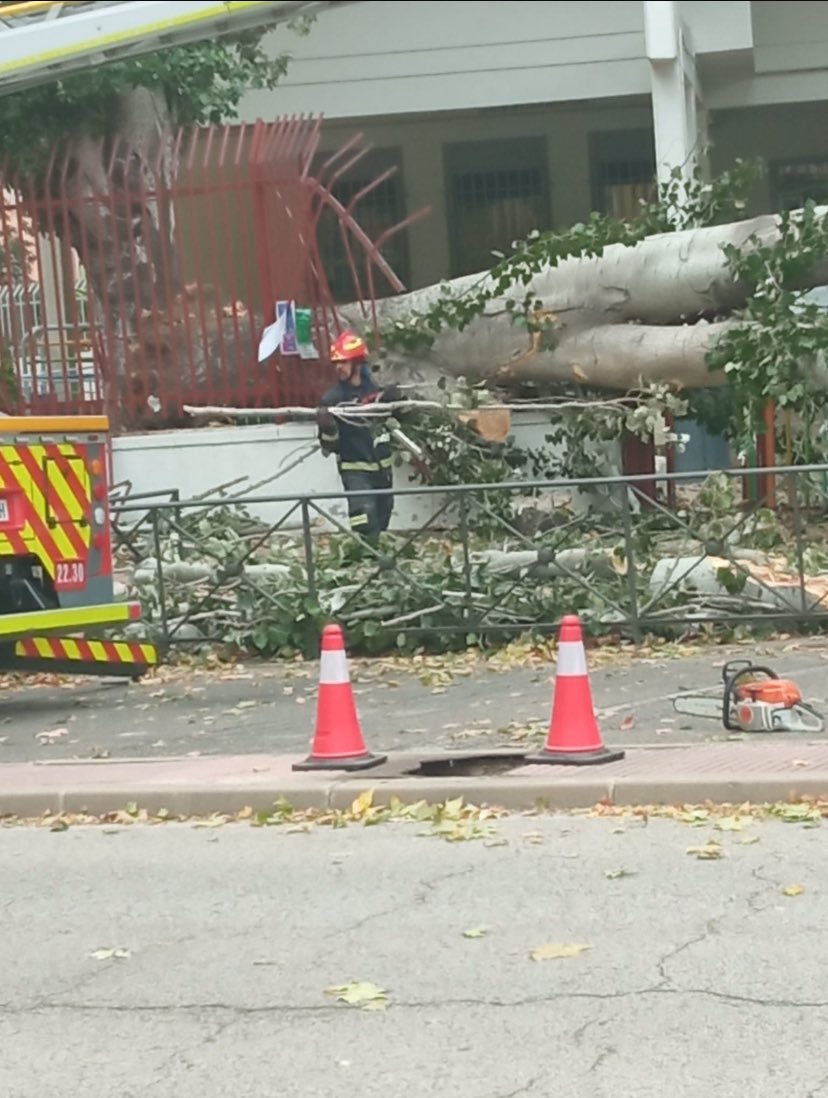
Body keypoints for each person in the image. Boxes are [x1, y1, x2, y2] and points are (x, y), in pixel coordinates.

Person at [317, 330, 404, 542]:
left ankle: (379, 563)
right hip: (355, 471)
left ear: (357, 363)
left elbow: (400, 421)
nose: (338, 368)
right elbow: (329, 448)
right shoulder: (333, 399)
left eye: (343, 362)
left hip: (383, 470)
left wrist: (398, 404)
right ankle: (365, 560)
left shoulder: (376, 389)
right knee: (364, 521)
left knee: (383, 521)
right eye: (336, 363)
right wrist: (327, 428)